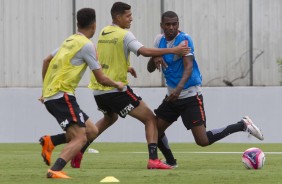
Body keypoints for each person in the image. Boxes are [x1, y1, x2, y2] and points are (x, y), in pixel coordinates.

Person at [41, 2, 188, 170]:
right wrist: (173, 50)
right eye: (128, 15)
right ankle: (153, 159)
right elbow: (144, 51)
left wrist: (124, 67)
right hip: (114, 89)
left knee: (110, 118)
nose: (131, 18)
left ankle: (79, 151)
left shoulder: (104, 32)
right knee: (150, 118)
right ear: (118, 17)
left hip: (98, 91)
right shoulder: (125, 34)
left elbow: (100, 58)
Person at [147, 11, 264, 168]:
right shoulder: (158, 40)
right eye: (167, 24)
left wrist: (178, 89)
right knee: (155, 129)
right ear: (162, 26)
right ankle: (171, 162)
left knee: (202, 141)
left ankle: (242, 125)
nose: (171, 27)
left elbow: (188, 68)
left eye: (174, 24)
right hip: (172, 97)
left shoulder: (184, 40)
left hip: (190, 96)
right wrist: (154, 57)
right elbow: (149, 68)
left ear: (178, 25)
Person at [40, 8, 124, 179]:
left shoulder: (70, 41)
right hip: (62, 96)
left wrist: (45, 89)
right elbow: (100, 78)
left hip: (53, 95)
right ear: (94, 25)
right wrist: (117, 84)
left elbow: (46, 60)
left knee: (91, 131)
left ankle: (51, 141)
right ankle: (55, 169)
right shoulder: (87, 45)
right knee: (80, 138)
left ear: (78, 23)